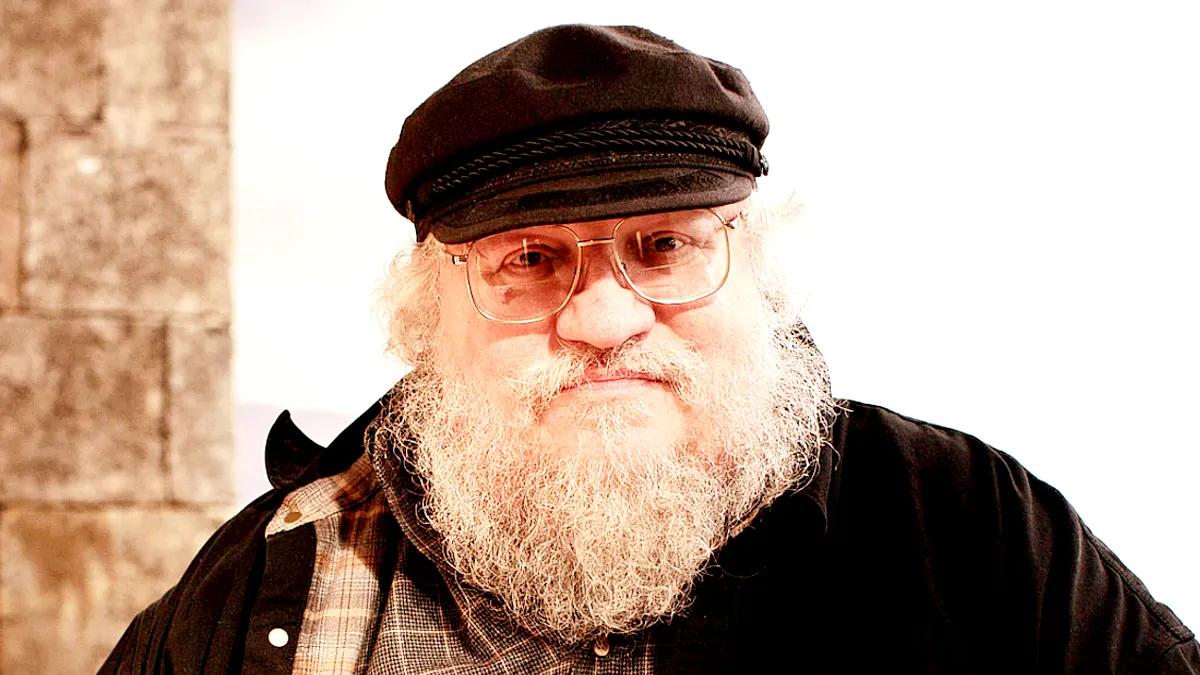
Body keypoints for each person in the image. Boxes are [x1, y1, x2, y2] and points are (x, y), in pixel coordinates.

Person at [102, 24, 1199, 674]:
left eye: (665, 245)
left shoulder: (964, 526)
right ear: (426, 310)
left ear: (754, 268)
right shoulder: (272, 575)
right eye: (530, 258)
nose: (604, 319)